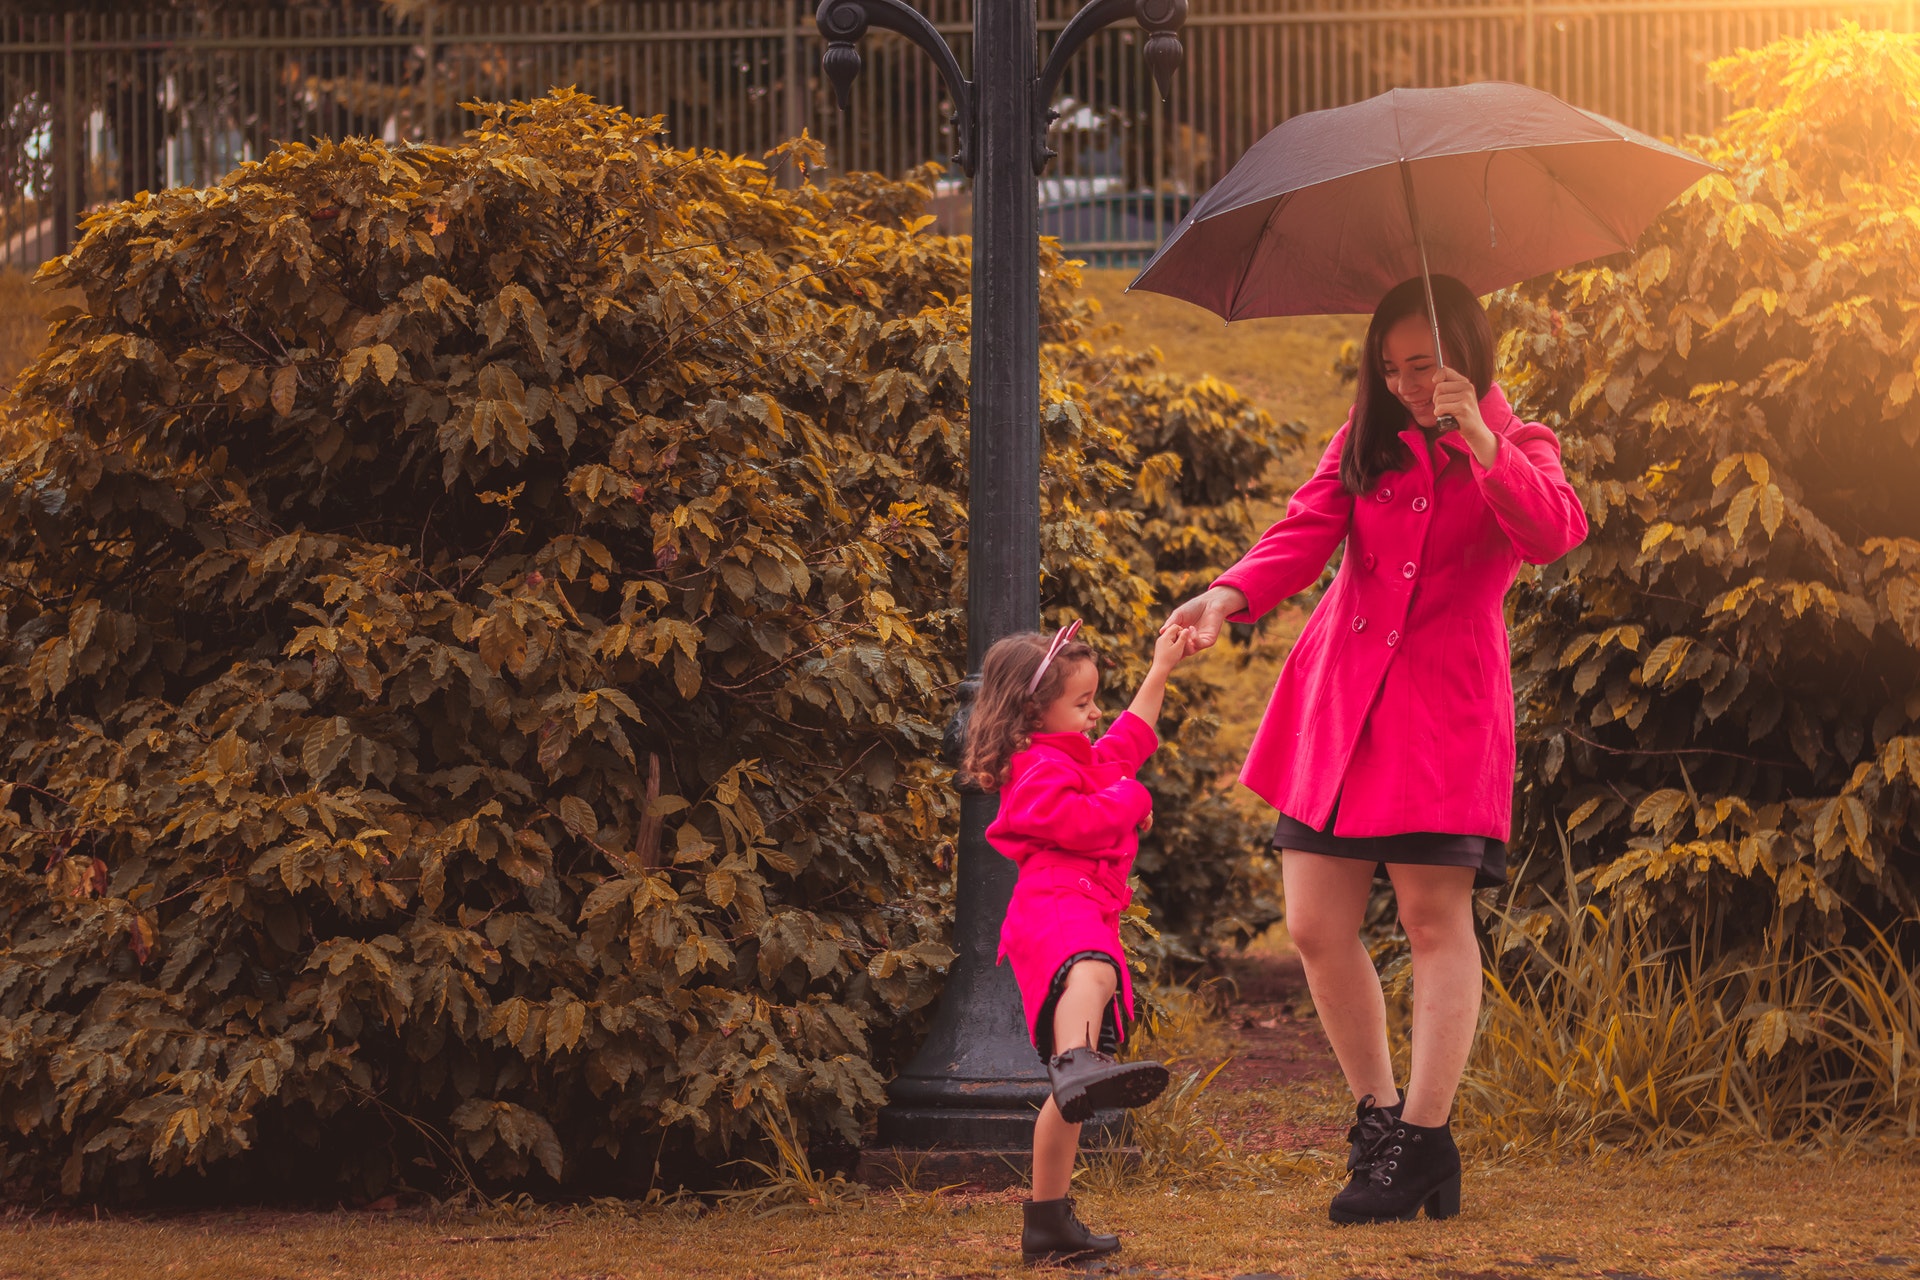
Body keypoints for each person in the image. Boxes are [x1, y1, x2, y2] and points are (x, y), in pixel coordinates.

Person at [1163, 274, 1588, 1224]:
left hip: (1441, 712)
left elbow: (1554, 532)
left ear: (1467, 359)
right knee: (1314, 924)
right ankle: (1378, 1120)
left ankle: (1426, 1142)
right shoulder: (1364, 440)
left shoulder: (1520, 445)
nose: (1404, 382)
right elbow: (1304, 531)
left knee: (1435, 923)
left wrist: (1480, 439)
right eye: (1390, 367)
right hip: (1341, 702)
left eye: (1423, 363)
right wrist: (1226, 597)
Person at [962, 618, 1196, 1264]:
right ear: (1034, 711)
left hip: (1084, 910)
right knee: (1092, 975)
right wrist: (1130, 799)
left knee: (1070, 1100)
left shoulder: (1078, 756)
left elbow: (1131, 738)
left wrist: (1162, 668)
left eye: (1095, 701)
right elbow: (1076, 821)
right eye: (1083, 703)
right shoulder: (1034, 766)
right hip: (1055, 908)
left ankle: (1048, 1223)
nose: (1095, 715)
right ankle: (1077, 1063)